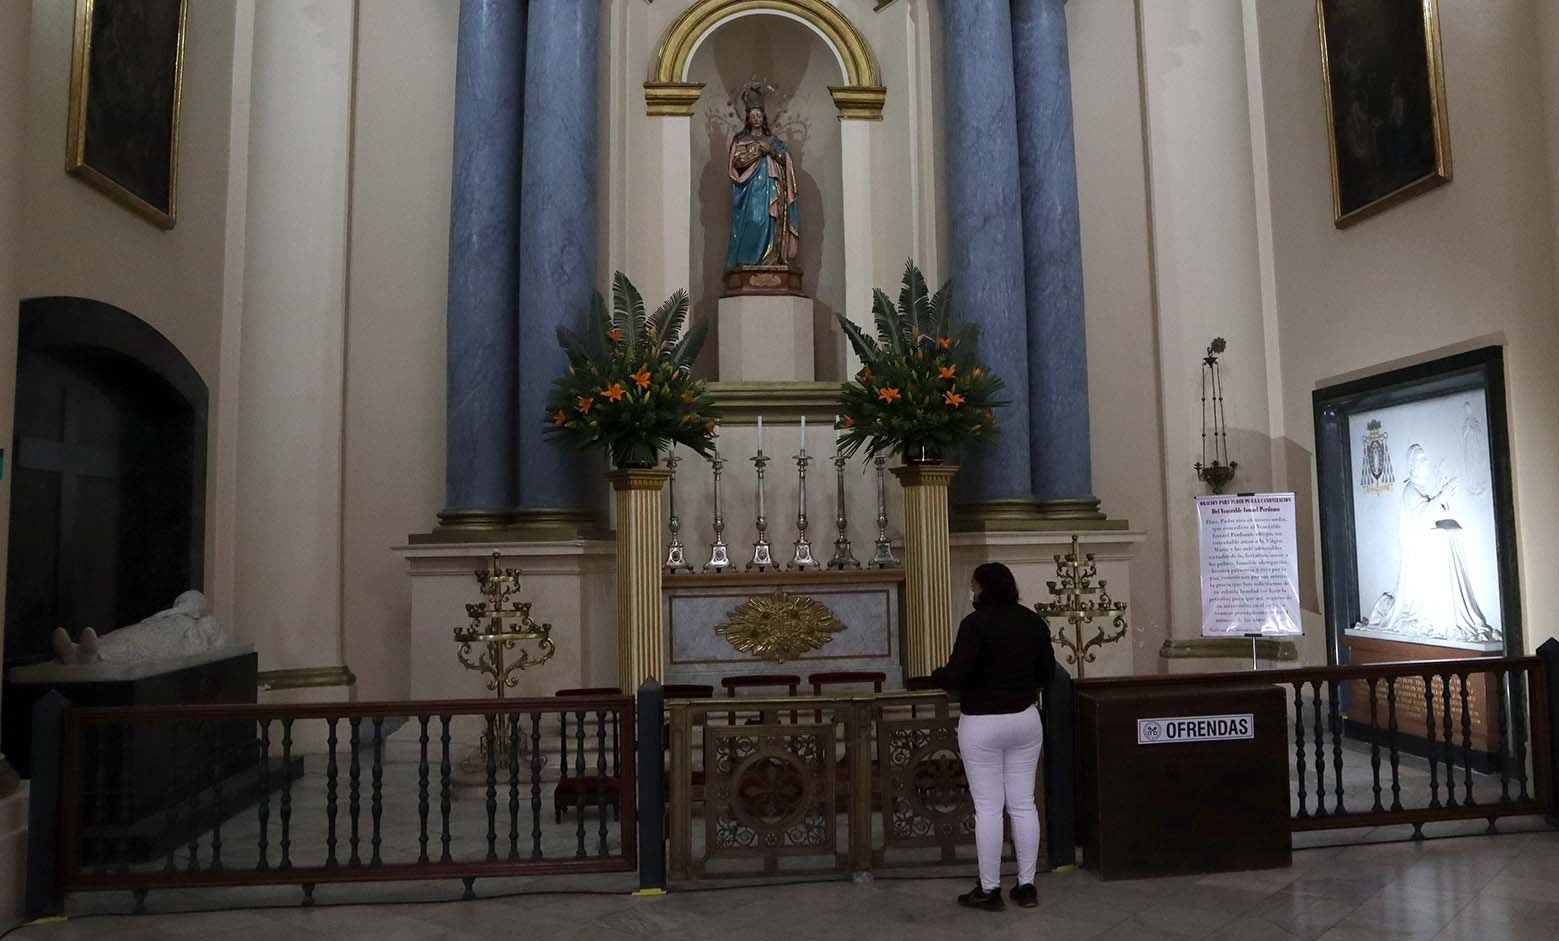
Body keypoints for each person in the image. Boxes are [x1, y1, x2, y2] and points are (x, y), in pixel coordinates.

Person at [931, 562, 1056, 912]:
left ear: (984, 588)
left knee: (988, 808)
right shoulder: (1033, 621)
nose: (973, 593)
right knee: (1023, 803)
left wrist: (936, 675)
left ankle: (988, 890)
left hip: (983, 723)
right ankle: (1027, 886)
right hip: (1025, 719)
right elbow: (1048, 672)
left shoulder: (975, 625)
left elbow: (957, 673)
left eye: (974, 587)